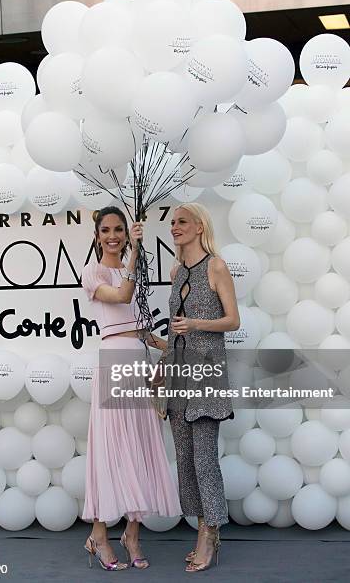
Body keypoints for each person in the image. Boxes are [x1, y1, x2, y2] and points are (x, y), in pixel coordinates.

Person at [81, 206, 181, 571]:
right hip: (114, 361)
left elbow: (137, 325)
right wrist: (137, 253)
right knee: (112, 450)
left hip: (138, 360)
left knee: (138, 446)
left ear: (126, 232)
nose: (113, 235)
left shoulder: (130, 271)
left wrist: (166, 346)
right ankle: (99, 536)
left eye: (119, 229)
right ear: (97, 235)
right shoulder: (93, 272)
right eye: (106, 229)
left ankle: (132, 535)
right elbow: (121, 299)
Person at [166, 202, 240, 573]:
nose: (175, 227)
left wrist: (196, 324)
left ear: (199, 226)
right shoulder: (177, 271)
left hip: (207, 375)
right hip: (178, 378)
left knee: (203, 459)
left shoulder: (216, 266)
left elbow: (233, 320)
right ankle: (203, 526)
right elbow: (173, 331)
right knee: (185, 461)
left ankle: (208, 537)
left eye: (181, 221)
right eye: (173, 223)